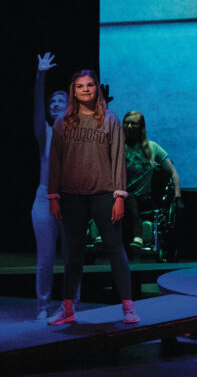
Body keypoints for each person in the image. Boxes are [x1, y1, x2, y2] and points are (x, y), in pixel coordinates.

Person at [47, 70, 138, 325]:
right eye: (79, 86)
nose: (85, 89)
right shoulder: (62, 123)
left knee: (114, 248)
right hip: (71, 196)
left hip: (104, 194)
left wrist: (119, 195)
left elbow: (119, 159)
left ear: (96, 89)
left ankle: (128, 307)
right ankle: (67, 310)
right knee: (73, 253)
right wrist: (53, 196)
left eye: (89, 85)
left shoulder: (110, 120)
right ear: (73, 92)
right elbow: (55, 163)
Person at [31, 52, 80, 319]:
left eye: (61, 100)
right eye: (53, 101)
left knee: (72, 257)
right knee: (45, 260)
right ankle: (42, 307)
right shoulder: (45, 133)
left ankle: (72, 306)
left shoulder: (77, 133)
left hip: (70, 199)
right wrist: (41, 76)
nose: (55, 104)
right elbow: (37, 107)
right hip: (43, 200)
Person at [122, 111, 182, 251]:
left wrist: (178, 196)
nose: (129, 126)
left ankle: (138, 236)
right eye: (127, 123)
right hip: (118, 196)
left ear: (141, 127)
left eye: (133, 123)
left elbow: (172, 172)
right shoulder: (116, 146)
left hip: (143, 199)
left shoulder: (152, 147)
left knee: (128, 197)